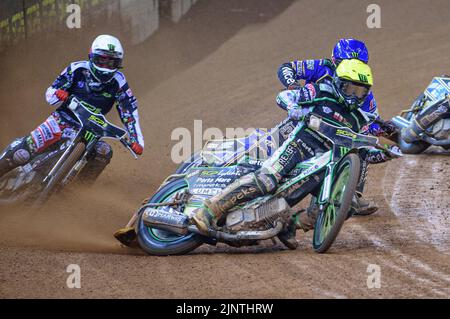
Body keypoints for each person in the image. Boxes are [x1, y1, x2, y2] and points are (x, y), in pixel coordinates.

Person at [192, 59, 399, 249]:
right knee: (267, 180)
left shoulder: (359, 118)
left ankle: (291, 224)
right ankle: (209, 211)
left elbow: (364, 152)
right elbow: (284, 95)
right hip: (300, 145)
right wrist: (293, 107)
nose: (354, 95)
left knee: (341, 203)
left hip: (324, 163)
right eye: (350, 88)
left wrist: (385, 155)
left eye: (360, 91)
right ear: (338, 82)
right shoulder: (321, 91)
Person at [0, 35, 144, 182]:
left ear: (118, 63)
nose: (106, 66)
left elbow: (129, 111)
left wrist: (136, 140)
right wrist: (58, 94)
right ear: (92, 56)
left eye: (111, 62)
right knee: (22, 154)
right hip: (61, 120)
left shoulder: (119, 82)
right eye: (102, 60)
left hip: (91, 132)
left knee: (103, 152)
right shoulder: (77, 69)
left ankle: (78, 191)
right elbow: (51, 92)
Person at [277, 38, 397, 216]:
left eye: (359, 64)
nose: (352, 66)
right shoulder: (321, 66)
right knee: (277, 147)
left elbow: (370, 123)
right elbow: (286, 68)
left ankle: (351, 194)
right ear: (334, 60)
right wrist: (294, 87)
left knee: (361, 145)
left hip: (336, 133)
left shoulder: (364, 91)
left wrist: (386, 130)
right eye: (346, 62)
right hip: (305, 121)